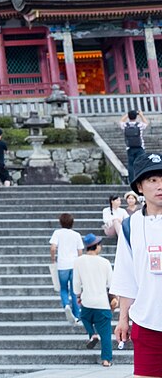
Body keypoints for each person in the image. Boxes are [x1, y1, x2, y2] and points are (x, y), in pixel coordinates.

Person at [113, 152, 162, 373]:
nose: (160, 186)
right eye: (152, 180)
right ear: (140, 187)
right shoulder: (130, 226)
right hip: (146, 321)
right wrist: (123, 318)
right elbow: (126, 276)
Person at [74, 233, 114, 367]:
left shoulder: (78, 261)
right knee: (106, 333)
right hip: (102, 303)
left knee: (84, 317)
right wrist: (114, 298)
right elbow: (111, 284)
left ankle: (92, 334)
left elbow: (76, 283)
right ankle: (106, 360)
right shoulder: (105, 262)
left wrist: (78, 295)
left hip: (87, 301)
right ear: (96, 246)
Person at [50, 213, 84, 322]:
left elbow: (53, 247)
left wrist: (53, 259)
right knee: (75, 290)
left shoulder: (57, 233)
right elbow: (80, 251)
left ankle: (66, 305)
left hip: (62, 265)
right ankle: (77, 314)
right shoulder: (76, 235)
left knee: (63, 288)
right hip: (74, 264)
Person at [121, 110, 149, 174]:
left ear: (129, 116)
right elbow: (146, 123)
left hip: (129, 147)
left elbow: (121, 121)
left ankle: (131, 180)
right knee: (141, 163)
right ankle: (140, 178)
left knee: (131, 165)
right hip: (140, 147)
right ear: (136, 117)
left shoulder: (125, 125)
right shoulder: (139, 125)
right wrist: (141, 115)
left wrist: (127, 115)